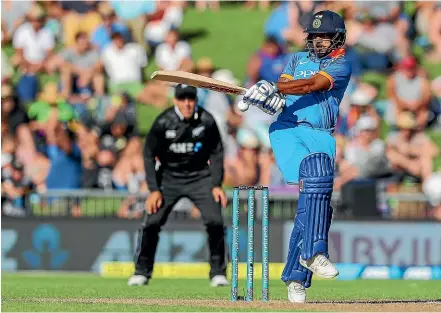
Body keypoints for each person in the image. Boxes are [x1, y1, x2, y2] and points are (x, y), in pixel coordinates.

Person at [239, 10, 352, 303]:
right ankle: (314, 251)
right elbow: (284, 96)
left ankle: (295, 277)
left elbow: (311, 85)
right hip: (289, 131)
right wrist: (266, 99)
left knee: (316, 204)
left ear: (337, 38)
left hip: (321, 133)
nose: (318, 42)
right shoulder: (294, 60)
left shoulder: (341, 66)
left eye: (324, 36)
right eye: (314, 36)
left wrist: (273, 86)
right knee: (316, 175)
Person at [128, 84, 228, 288]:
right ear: (175, 100)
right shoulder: (163, 121)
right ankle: (142, 272)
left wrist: (216, 184)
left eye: (190, 99)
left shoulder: (207, 121)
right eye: (182, 99)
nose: (187, 103)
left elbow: (217, 153)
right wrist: (154, 190)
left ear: (196, 100)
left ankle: (218, 273)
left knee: (215, 221)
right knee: (151, 223)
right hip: (168, 177)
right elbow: (148, 154)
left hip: (200, 177)